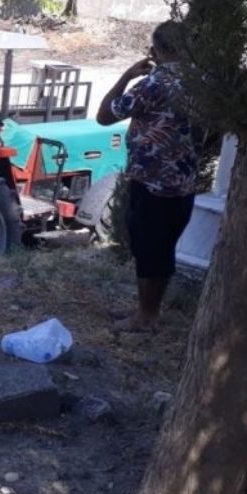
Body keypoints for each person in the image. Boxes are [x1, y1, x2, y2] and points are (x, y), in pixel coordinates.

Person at [96, 20, 200, 333]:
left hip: (153, 182)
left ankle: (146, 317)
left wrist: (128, 75)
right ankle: (148, 309)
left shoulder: (154, 84)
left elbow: (104, 116)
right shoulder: (201, 82)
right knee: (163, 248)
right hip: (184, 182)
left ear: (157, 50)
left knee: (146, 247)